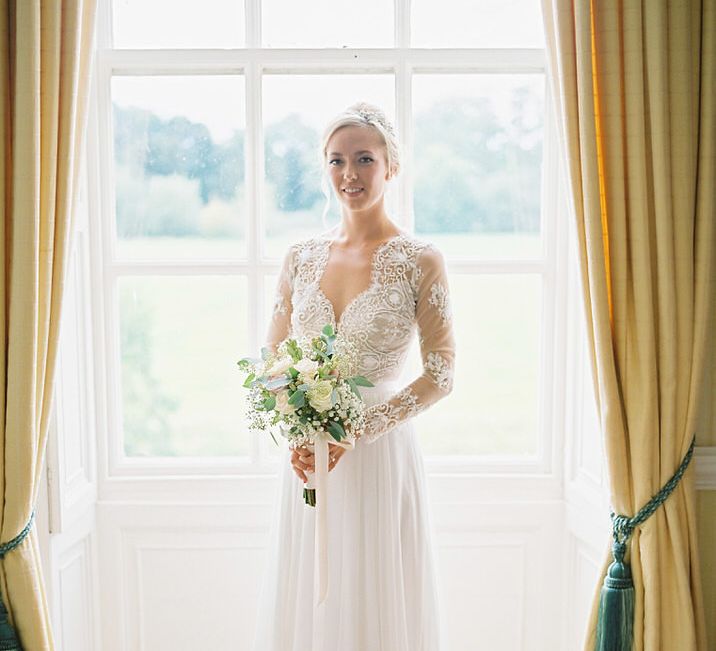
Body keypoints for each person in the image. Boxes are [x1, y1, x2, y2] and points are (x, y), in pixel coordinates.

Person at [251, 101, 456, 651]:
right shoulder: (300, 257)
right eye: (337, 160)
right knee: (313, 593)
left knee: (375, 588)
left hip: (380, 455)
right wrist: (299, 432)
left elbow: (441, 371)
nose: (349, 174)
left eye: (364, 159)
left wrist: (355, 430)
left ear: (391, 167)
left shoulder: (420, 259)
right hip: (309, 458)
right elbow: (271, 361)